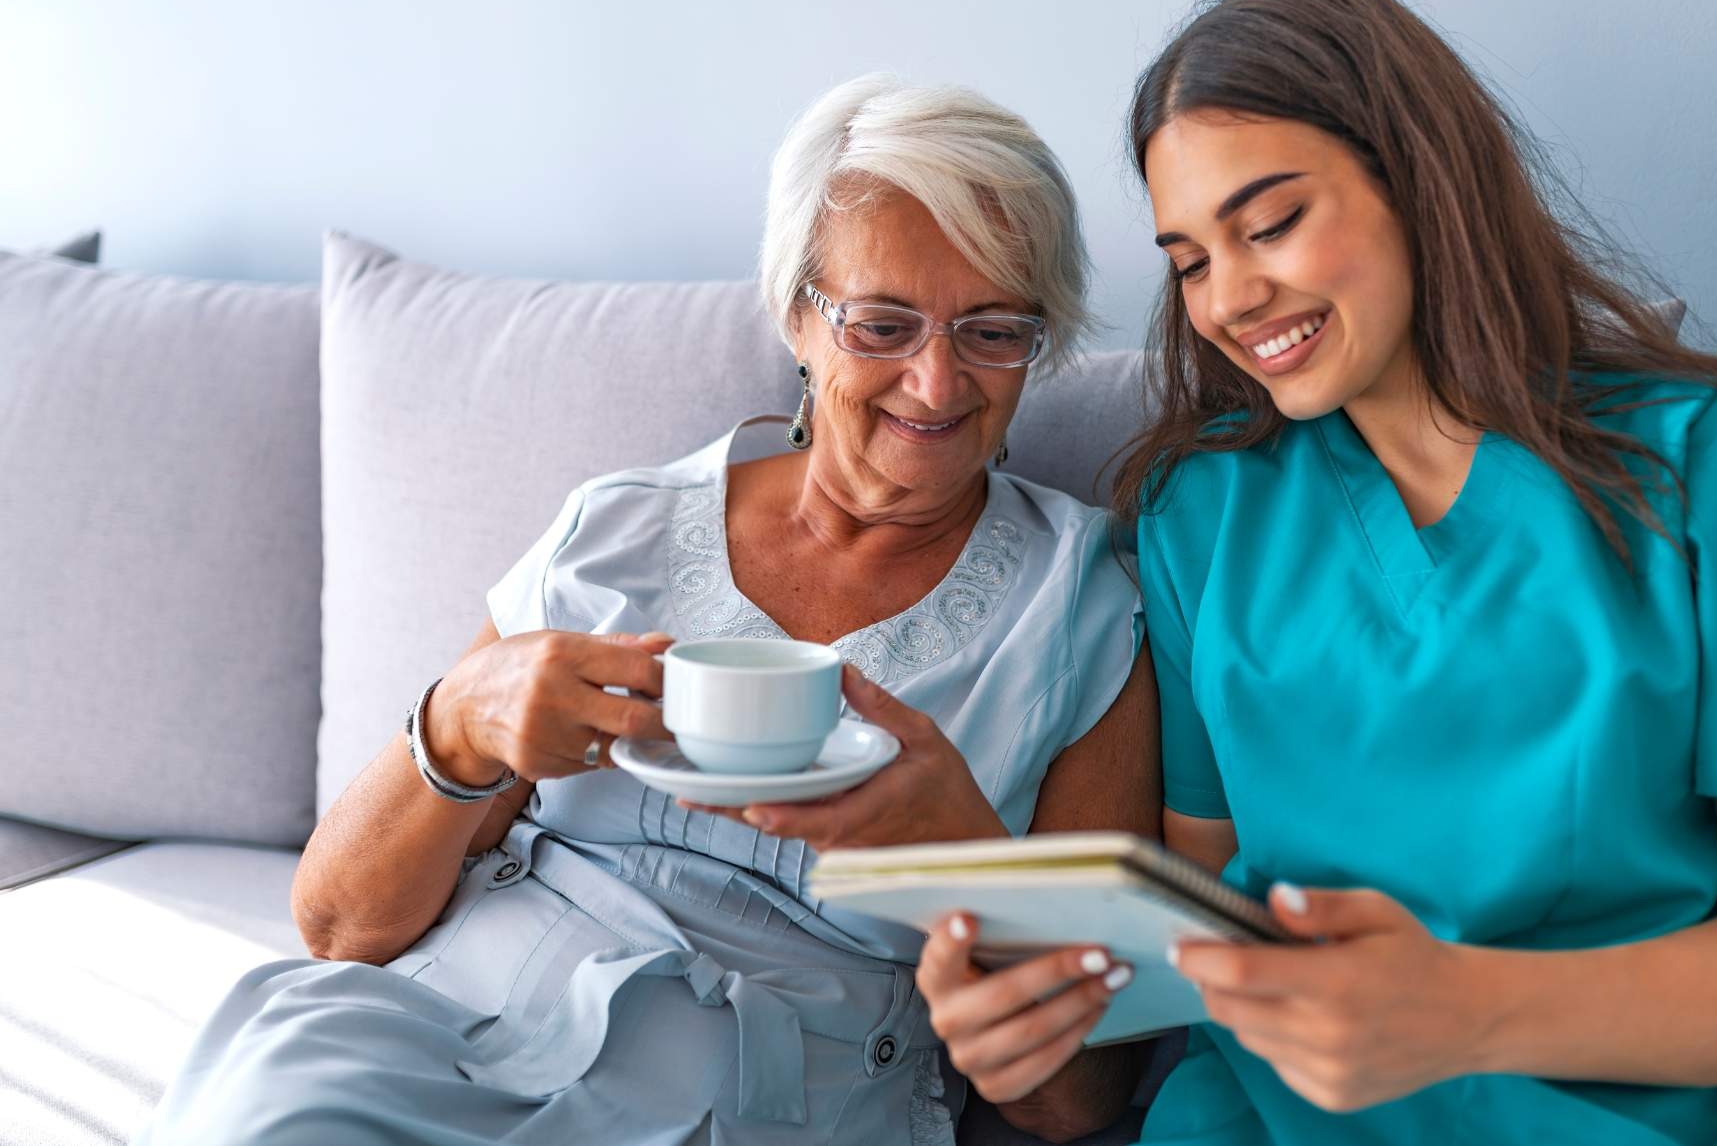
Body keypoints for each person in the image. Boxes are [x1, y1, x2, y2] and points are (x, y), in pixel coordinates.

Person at [915, 0, 1717, 1145]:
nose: (1230, 296)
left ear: (1418, 181)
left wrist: (1464, 1011)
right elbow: (1193, 918)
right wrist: (1040, 1015)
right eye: (1189, 261)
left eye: (1272, 223)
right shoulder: (1201, 516)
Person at [135, 73, 1158, 1146]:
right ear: (796, 316)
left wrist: (961, 853)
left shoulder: (1079, 611)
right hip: (450, 1032)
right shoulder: (616, 528)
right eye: (882, 324)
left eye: (994, 330)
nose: (939, 382)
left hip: (769, 1106)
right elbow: (339, 925)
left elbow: (1074, 1100)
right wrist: (458, 723)